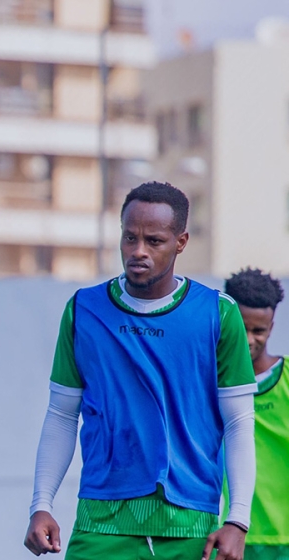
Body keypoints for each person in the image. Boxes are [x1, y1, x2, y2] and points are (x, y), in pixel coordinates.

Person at [23, 181, 257, 560]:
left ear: (181, 242)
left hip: (189, 525)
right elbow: (62, 414)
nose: (138, 251)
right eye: (129, 238)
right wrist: (41, 503)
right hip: (102, 520)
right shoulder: (84, 310)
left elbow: (239, 422)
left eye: (154, 241)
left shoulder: (218, 313)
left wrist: (238, 520)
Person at [225, 268, 289, 560]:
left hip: (282, 538)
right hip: (223, 535)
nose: (249, 339)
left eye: (258, 330)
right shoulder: (204, 382)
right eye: (241, 327)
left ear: (272, 327)